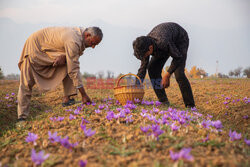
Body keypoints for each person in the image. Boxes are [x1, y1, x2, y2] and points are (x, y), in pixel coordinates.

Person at [17, 26, 103, 123]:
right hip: (34, 49)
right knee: (26, 83)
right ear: (87, 35)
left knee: (69, 61)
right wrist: (84, 95)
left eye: (95, 45)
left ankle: (68, 98)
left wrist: (65, 57)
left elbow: (72, 60)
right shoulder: (73, 40)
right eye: (92, 43)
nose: (93, 47)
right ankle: (22, 117)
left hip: (48, 50)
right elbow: (73, 69)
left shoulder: (81, 36)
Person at [133, 22, 195, 108]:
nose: (144, 57)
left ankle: (190, 106)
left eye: (144, 55)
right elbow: (143, 68)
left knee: (179, 74)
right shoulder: (144, 46)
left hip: (180, 39)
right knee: (152, 69)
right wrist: (136, 86)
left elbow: (178, 57)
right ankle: (163, 101)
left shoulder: (163, 42)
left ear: (150, 48)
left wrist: (167, 74)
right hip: (164, 45)